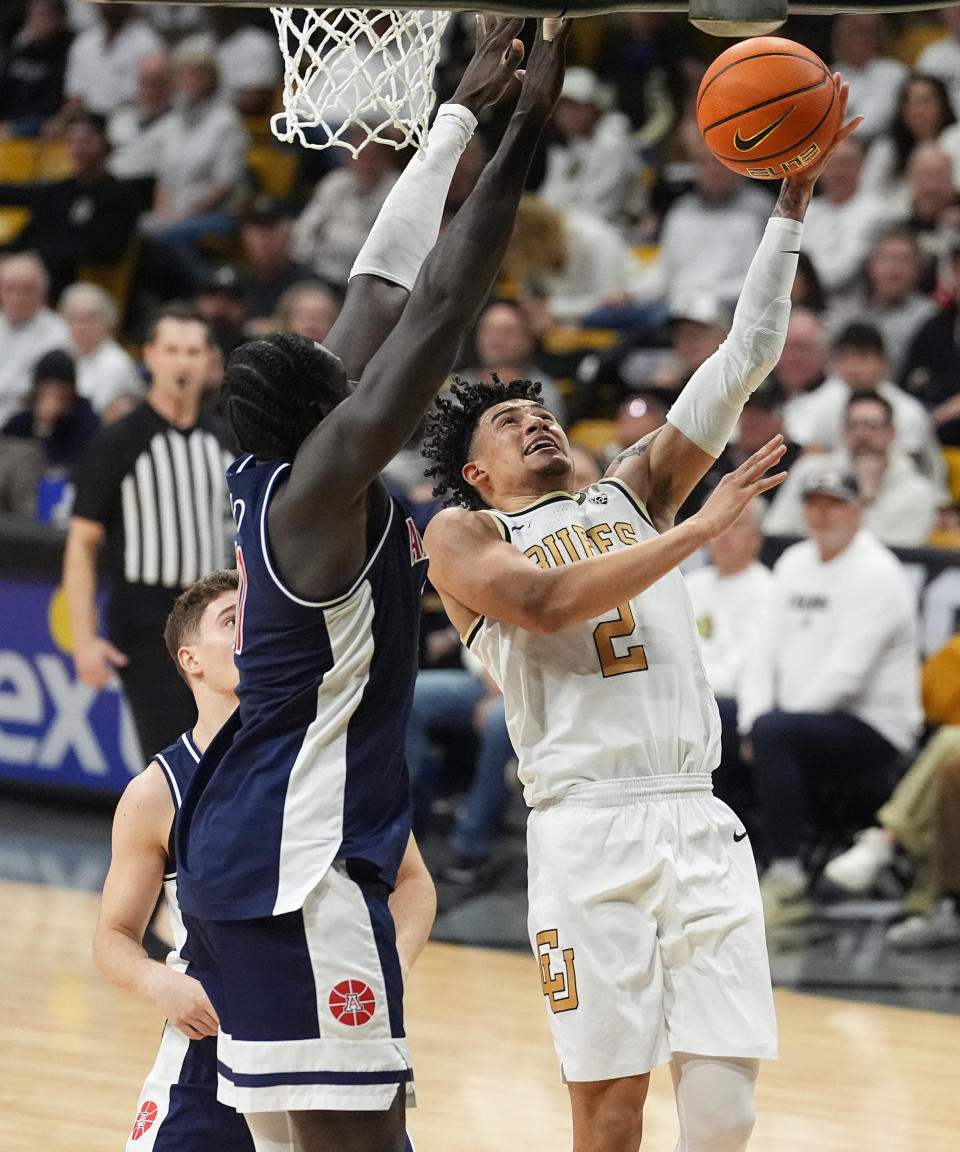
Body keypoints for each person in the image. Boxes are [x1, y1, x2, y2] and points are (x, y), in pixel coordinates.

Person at [421, 78, 860, 1152]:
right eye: (511, 421)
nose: (534, 423)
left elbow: (741, 361)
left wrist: (788, 212)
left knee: (725, 1112)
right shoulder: (467, 539)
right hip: (588, 831)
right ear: (474, 473)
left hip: (696, 814)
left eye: (539, 411)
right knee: (611, 1114)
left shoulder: (628, 489)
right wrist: (696, 533)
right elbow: (543, 604)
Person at [173, 20, 569, 1152]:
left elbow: (379, 283)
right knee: (368, 1142)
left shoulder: (266, 465)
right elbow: (437, 314)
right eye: (335, 376)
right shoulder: (314, 491)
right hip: (297, 873)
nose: (348, 359)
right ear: (327, 412)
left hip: (253, 860)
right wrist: (524, 129)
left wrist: (454, 117)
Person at [94, 569, 436, 1151]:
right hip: (213, 1041)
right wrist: (158, 982)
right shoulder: (157, 791)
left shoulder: (332, 760)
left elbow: (414, 884)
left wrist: (388, 967)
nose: (251, 629)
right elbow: (113, 937)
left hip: (335, 1027)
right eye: (231, 620)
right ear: (191, 660)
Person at [740, 461, 922, 927]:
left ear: (857, 511)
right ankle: (728, 864)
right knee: (718, 720)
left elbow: (847, 676)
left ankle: (786, 876)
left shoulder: (878, 573)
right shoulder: (792, 562)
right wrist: (750, 722)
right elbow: (761, 652)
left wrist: (767, 728)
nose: (822, 514)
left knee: (775, 733)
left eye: (834, 504)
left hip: (875, 730)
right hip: (799, 721)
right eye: (814, 503)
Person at [63, 304, 233, 762]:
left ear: (209, 361)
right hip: (146, 622)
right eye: (173, 350)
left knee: (224, 758)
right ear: (150, 356)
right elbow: (82, 542)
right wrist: (84, 638)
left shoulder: (226, 443)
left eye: (194, 351)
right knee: (173, 760)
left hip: (220, 618)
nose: (183, 362)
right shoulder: (119, 442)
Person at [685, 500, 774, 819]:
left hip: (733, 708)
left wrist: (682, 688)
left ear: (757, 538)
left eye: (738, 524)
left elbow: (742, 673)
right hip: (687, 697)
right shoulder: (690, 584)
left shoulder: (767, 591)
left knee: (707, 713)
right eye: (722, 522)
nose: (725, 534)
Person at [764, 389, 940, 546]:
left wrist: (866, 497)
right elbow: (776, 531)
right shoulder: (809, 470)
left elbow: (899, 558)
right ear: (843, 432)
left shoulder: (918, 491)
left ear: (891, 433)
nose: (862, 434)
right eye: (853, 425)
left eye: (872, 426)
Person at [0, 252, 71, 427]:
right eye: (9, 288)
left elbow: (30, 393)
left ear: (42, 293)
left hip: (25, 427)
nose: (17, 298)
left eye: (26, 290)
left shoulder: (58, 333)